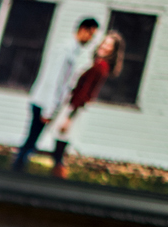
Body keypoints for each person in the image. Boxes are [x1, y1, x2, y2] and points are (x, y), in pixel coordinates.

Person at [10, 17, 99, 172]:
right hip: (43, 102)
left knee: (33, 139)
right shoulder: (65, 49)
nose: (91, 39)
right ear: (83, 30)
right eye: (91, 34)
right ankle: (17, 168)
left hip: (48, 103)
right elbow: (54, 80)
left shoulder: (73, 50)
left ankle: (18, 165)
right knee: (31, 139)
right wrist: (48, 110)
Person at [49, 31, 124, 179]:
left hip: (74, 107)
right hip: (74, 104)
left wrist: (70, 117)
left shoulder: (100, 66)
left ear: (113, 51)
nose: (104, 46)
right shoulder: (98, 63)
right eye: (104, 42)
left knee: (61, 138)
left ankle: (59, 173)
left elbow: (85, 92)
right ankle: (57, 170)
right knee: (60, 139)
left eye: (109, 45)